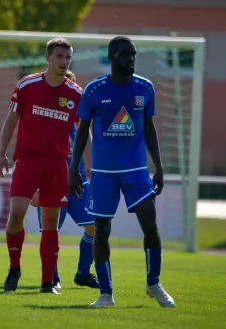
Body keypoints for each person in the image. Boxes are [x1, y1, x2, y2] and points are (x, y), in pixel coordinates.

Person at [69, 36, 175, 308]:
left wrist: (159, 167)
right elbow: (82, 131)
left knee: (150, 225)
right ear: (112, 57)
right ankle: (106, 294)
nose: (131, 59)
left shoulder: (145, 88)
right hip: (103, 174)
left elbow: (149, 128)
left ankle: (153, 283)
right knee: (101, 231)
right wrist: (74, 170)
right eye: (126, 54)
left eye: (134, 55)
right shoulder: (93, 90)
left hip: (137, 171)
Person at [0, 38, 82, 295]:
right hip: (28, 160)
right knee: (16, 214)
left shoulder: (76, 93)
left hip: (57, 164)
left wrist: (82, 164)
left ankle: (47, 282)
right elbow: (11, 120)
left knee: (50, 222)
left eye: (68, 57)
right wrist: (1, 154)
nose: (64, 62)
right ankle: (14, 268)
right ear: (48, 57)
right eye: (59, 57)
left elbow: (85, 131)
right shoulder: (27, 85)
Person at [31, 70, 98, 289]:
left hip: (78, 183)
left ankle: (83, 273)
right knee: (51, 232)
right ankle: (53, 277)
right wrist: (33, 186)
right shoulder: (45, 118)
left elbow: (87, 139)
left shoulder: (80, 123)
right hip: (52, 182)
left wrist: (89, 163)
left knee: (94, 227)